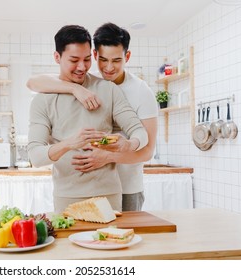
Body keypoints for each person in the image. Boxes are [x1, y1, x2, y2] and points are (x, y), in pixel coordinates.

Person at [27, 22, 158, 211]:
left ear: (126, 57)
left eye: (86, 59)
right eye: (74, 60)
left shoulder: (117, 89)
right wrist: (70, 142)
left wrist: (125, 146)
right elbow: (36, 157)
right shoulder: (46, 98)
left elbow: (144, 141)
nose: (82, 67)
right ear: (57, 57)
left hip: (121, 188)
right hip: (67, 195)